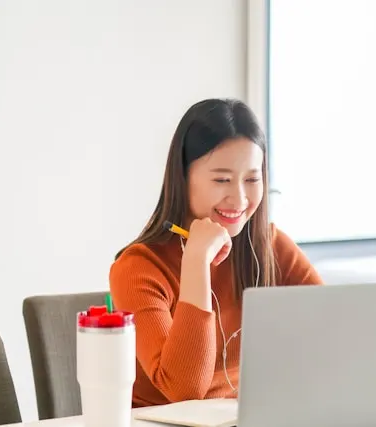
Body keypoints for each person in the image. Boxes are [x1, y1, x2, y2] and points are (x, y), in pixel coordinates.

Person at [109, 98, 323, 407]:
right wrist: (196, 260)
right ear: (183, 178)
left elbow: (334, 338)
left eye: (252, 179)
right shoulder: (138, 267)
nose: (239, 198)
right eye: (221, 179)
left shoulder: (271, 246)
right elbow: (185, 391)